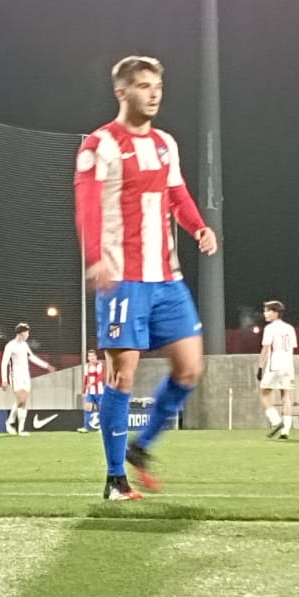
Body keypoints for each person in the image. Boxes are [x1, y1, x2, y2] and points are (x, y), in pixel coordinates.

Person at [75, 55, 217, 501]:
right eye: (142, 85)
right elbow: (89, 205)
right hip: (123, 278)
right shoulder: (100, 145)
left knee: (191, 367)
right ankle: (115, 478)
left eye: (157, 85)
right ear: (122, 92)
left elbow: (177, 192)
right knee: (123, 374)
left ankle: (142, 448)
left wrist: (198, 227)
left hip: (166, 278)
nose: (153, 93)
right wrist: (95, 257)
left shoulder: (165, 144)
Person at [1, 323, 53, 435]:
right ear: (21, 333)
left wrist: (46, 366)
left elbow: (32, 357)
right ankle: (16, 426)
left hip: (25, 375)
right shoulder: (10, 346)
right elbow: (4, 362)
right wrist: (4, 379)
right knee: (21, 400)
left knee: (22, 402)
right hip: (16, 376)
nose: (28, 334)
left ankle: (14, 424)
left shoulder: (24, 345)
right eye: (27, 332)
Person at [258, 300, 297, 439]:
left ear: (275, 312)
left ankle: (275, 421)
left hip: (275, 365)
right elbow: (292, 347)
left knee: (264, 393)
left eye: (267, 311)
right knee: (286, 397)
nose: (265, 314)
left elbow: (266, 347)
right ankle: (286, 430)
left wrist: (260, 366)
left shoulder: (270, 329)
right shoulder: (290, 328)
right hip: (288, 365)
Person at [80, 348, 105, 431]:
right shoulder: (87, 366)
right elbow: (86, 378)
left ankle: (102, 428)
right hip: (90, 392)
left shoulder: (99, 365)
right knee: (88, 408)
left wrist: (92, 383)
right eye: (89, 356)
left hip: (99, 391)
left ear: (96, 356)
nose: (91, 357)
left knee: (101, 409)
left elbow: (100, 377)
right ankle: (86, 427)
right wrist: (84, 390)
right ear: (88, 357)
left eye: (93, 356)